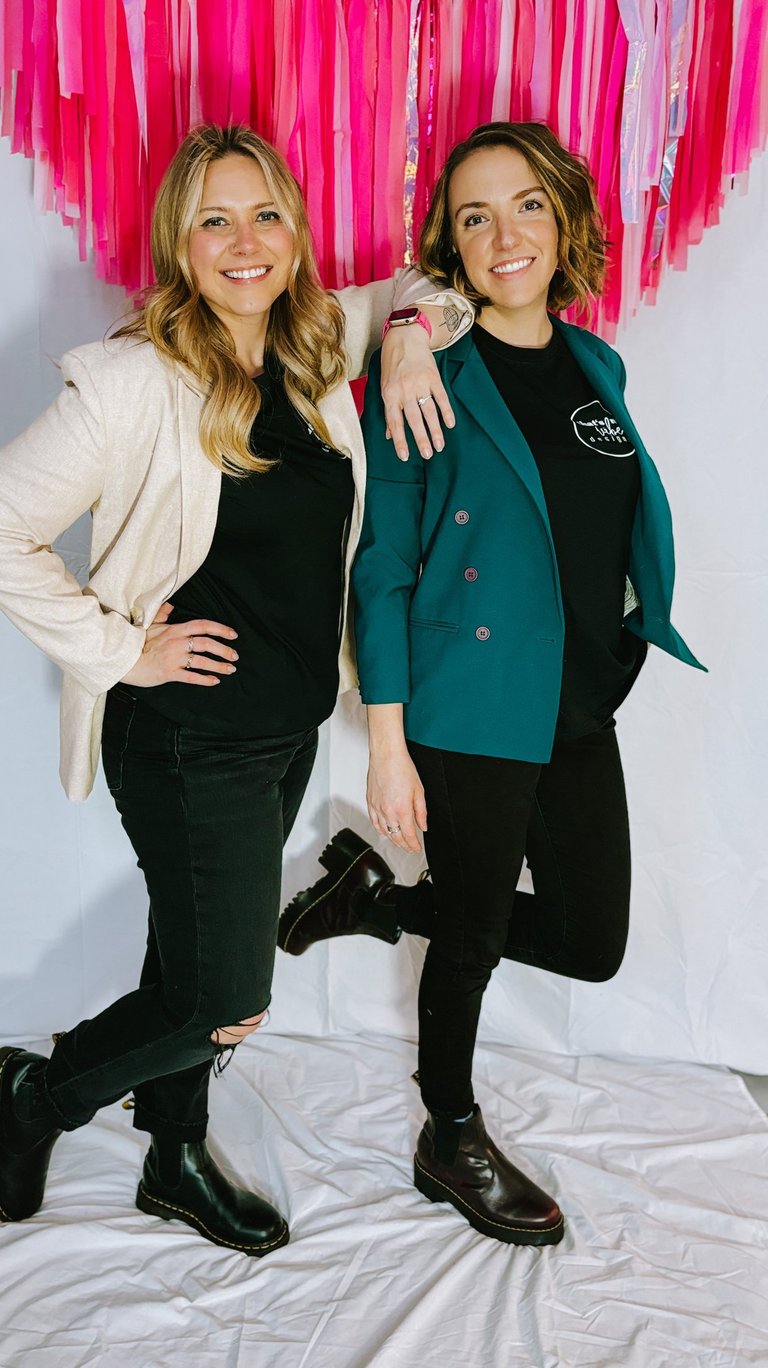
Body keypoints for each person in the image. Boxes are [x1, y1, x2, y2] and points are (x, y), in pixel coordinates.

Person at [0, 123, 472, 1254]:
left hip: (283, 733)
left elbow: (435, 287)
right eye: (215, 220)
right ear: (181, 241)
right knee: (224, 998)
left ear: (294, 232)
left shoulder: (318, 339)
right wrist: (120, 651)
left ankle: (172, 1156)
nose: (245, 241)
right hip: (182, 738)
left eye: (265, 215)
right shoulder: (130, 381)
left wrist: (408, 336)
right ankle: (34, 1095)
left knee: (190, 961)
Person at [278, 121, 704, 1247]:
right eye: (475, 216)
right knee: (467, 942)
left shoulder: (598, 364)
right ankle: (449, 1133)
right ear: (452, 246)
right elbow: (382, 567)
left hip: (578, 699)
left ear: (562, 218)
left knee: (593, 940)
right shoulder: (424, 375)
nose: (505, 234)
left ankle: (372, 902)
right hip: (470, 702)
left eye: (526, 205)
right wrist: (387, 744)